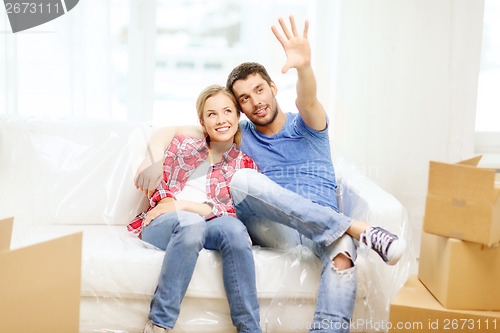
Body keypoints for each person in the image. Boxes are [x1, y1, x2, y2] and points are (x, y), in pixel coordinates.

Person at [135, 16, 405, 333]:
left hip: (322, 224)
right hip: (276, 229)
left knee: (343, 249)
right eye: (245, 99)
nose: (256, 102)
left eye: (259, 90)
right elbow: (180, 128)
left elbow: (307, 98)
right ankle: (359, 229)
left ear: (273, 87)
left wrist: (304, 67)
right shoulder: (239, 132)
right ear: (240, 109)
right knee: (242, 181)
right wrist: (152, 156)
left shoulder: (308, 124)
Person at [128, 85, 262, 333]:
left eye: (227, 112)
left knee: (234, 229)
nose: (221, 120)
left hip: (208, 222)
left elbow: (232, 211)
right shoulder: (183, 146)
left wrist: (186, 205)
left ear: (237, 116)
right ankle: (159, 324)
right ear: (202, 122)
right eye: (212, 114)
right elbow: (158, 184)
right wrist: (169, 202)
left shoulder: (245, 165)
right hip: (165, 221)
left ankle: (250, 329)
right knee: (191, 226)